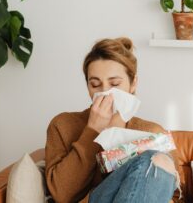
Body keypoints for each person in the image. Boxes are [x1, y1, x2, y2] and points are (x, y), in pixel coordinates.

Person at [45, 37, 181, 203]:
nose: (105, 92)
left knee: (157, 160)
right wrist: (92, 130)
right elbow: (62, 195)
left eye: (115, 84)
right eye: (95, 85)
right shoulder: (63, 125)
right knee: (156, 159)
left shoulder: (153, 132)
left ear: (133, 84)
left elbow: (176, 196)